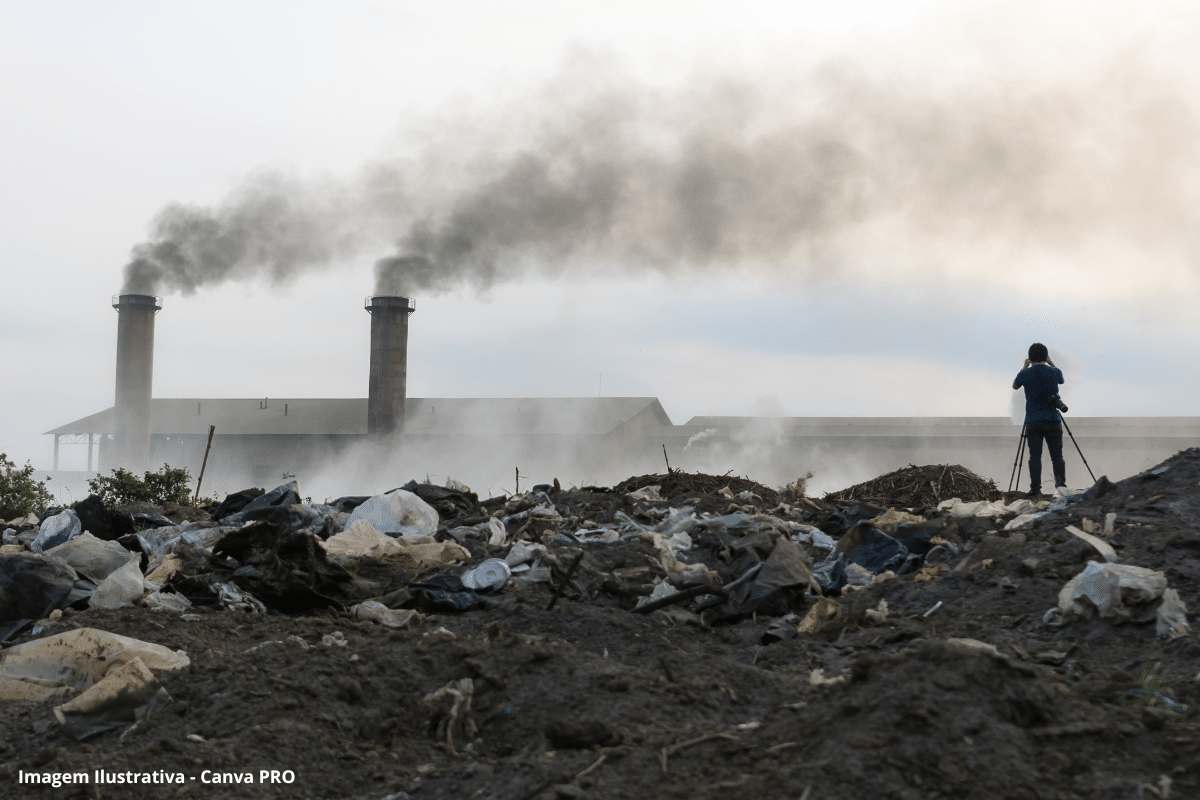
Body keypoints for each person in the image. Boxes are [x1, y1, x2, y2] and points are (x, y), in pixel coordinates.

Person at [1013, 343, 1066, 497]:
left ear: (1030, 357)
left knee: (1034, 456)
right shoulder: (1054, 372)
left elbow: (1015, 386)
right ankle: (1061, 486)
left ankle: (1036, 490)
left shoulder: (1026, 373)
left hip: (1033, 421)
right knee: (1057, 456)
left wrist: (1024, 367)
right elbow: (1061, 380)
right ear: (1045, 356)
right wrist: (1050, 362)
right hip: (1053, 420)